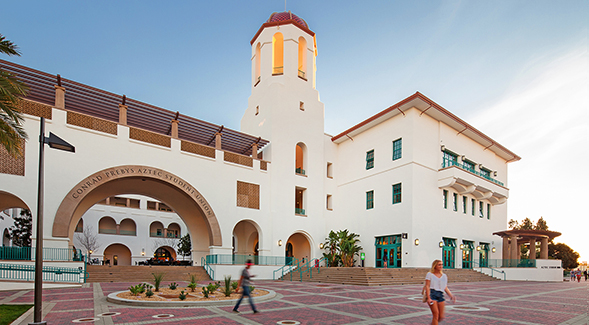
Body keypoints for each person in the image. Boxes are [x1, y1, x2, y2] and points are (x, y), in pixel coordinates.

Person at [424, 259, 456, 325]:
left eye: (442, 264)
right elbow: (427, 286)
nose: (441, 266)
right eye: (439, 265)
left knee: (441, 317)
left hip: (440, 295)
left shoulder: (444, 276)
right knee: (435, 315)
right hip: (432, 294)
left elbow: (445, 287)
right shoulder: (430, 274)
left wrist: (451, 296)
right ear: (435, 266)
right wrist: (428, 297)